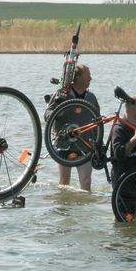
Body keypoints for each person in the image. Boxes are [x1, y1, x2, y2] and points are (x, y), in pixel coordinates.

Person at [44, 63, 103, 191]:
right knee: (64, 183)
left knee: (86, 181)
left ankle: (86, 208)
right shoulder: (61, 94)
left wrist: (100, 145)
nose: (91, 79)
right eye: (88, 76)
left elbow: (98, 123)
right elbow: (47, 114)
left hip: (85, 145)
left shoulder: (91, 98)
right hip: (64, 144)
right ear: (78, 78)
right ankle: (64, 208)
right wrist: (57, 113)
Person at [108, 95, 136, 221]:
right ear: (131, 109)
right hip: (124, 184)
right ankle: (122, 241)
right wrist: (135, 138)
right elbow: (119, 154)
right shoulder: (119, 129)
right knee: (123, 221)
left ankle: (130, 241)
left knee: (133, 222)